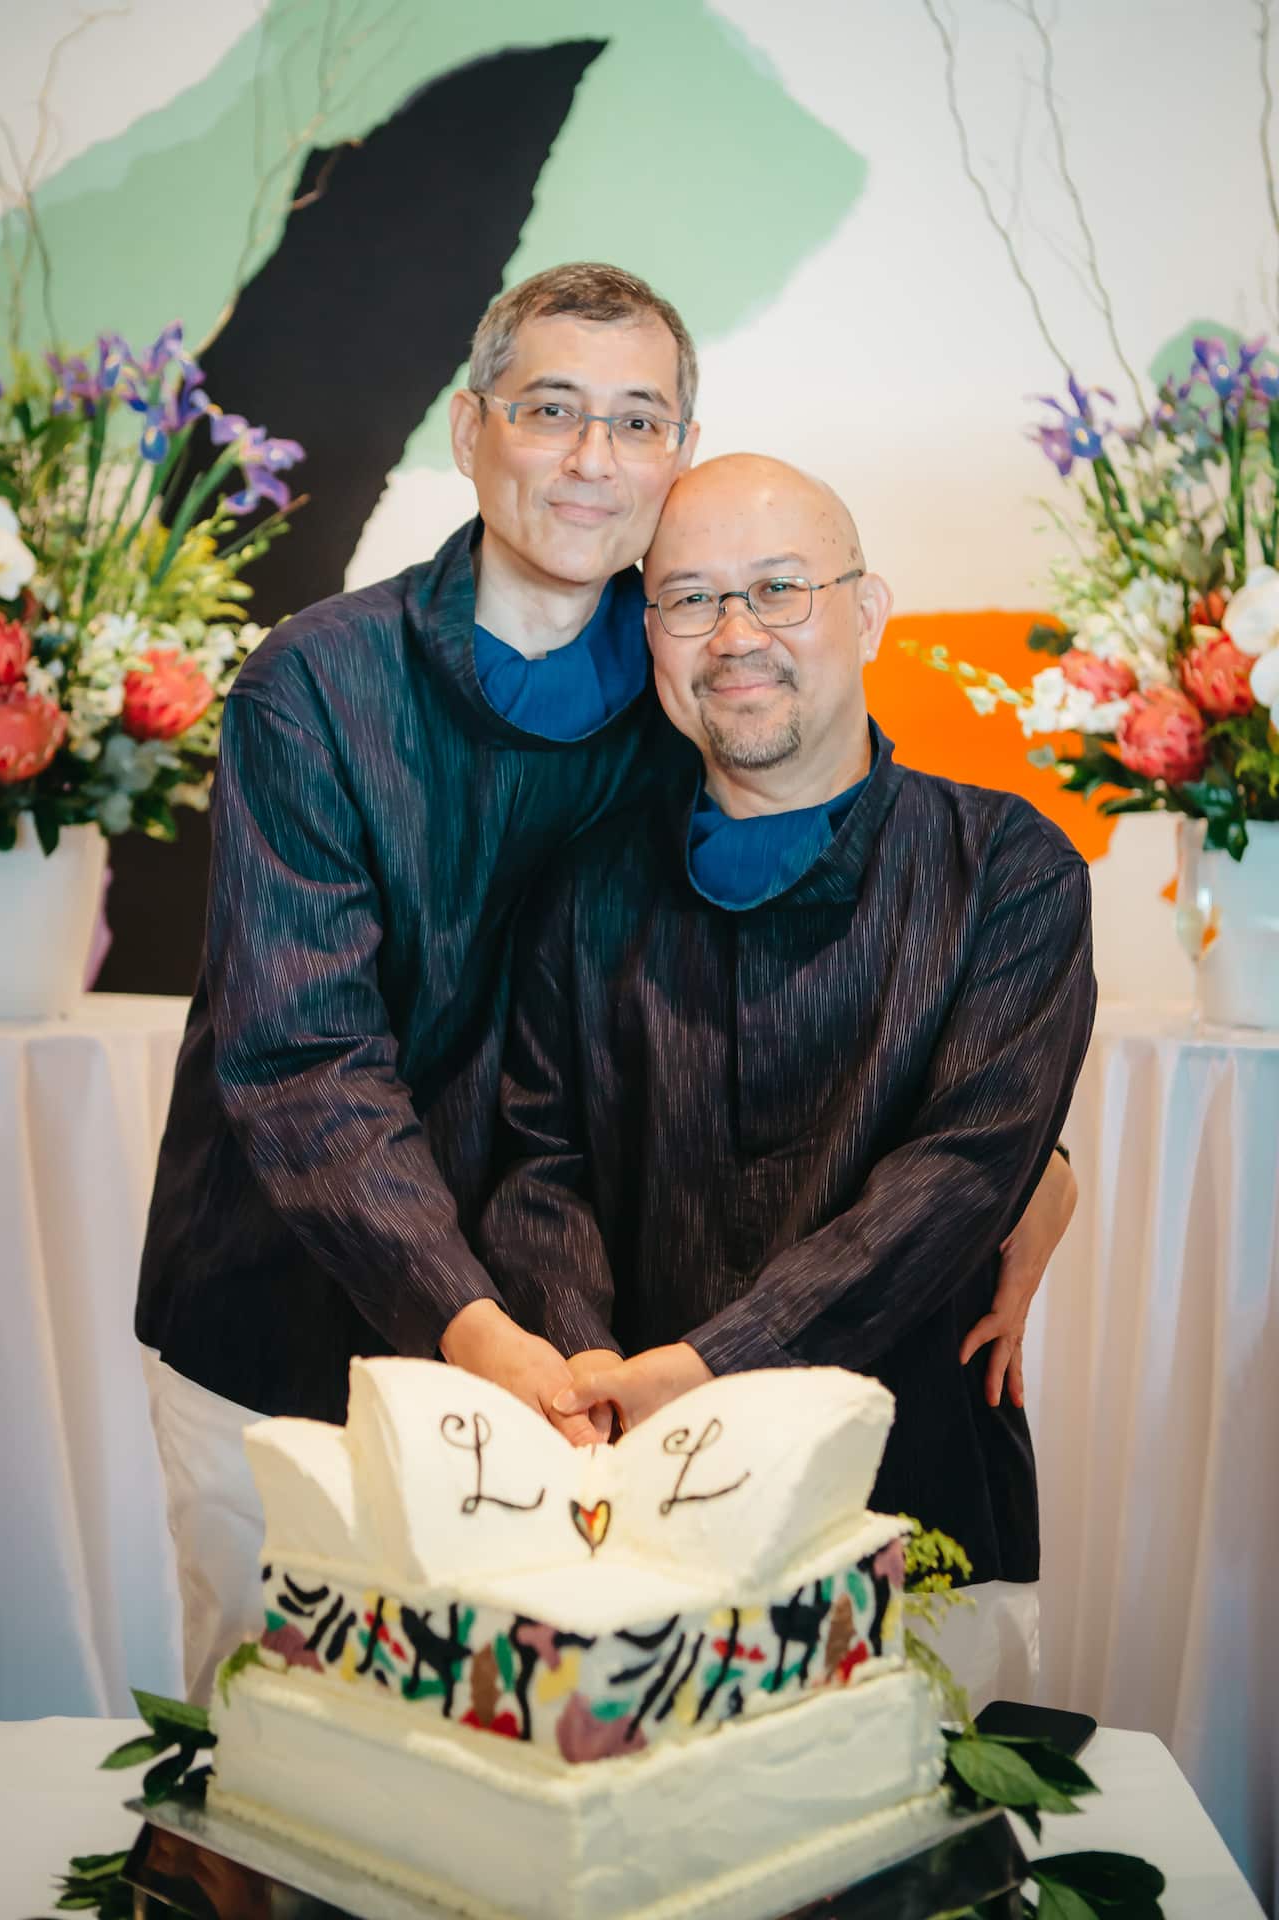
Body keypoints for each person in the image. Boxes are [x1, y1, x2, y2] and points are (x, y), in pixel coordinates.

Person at [136, 264, 1073, 1704]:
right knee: (285, 1764)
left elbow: (855, 971)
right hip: (302, 1313)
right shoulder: (314, 690)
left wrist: (1035, 1162)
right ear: (471, 430)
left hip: (586, 1377)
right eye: (552, 410)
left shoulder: (702, 675)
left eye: (638, 422)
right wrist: (490, 1330)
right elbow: (304, 1063)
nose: (593, 459)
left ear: (679, 455)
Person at [480, 454, 1096, 1707]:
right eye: (690, 599)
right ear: (645, 634)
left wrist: (708, 1365)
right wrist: (598, 1385)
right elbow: (535, 1166)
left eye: (777, 588)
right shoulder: (584, 887)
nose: (735, 636)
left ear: (866, 613)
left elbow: (963, 1173)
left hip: (916, 1502)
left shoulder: (1008, 870)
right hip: (629, 1513)